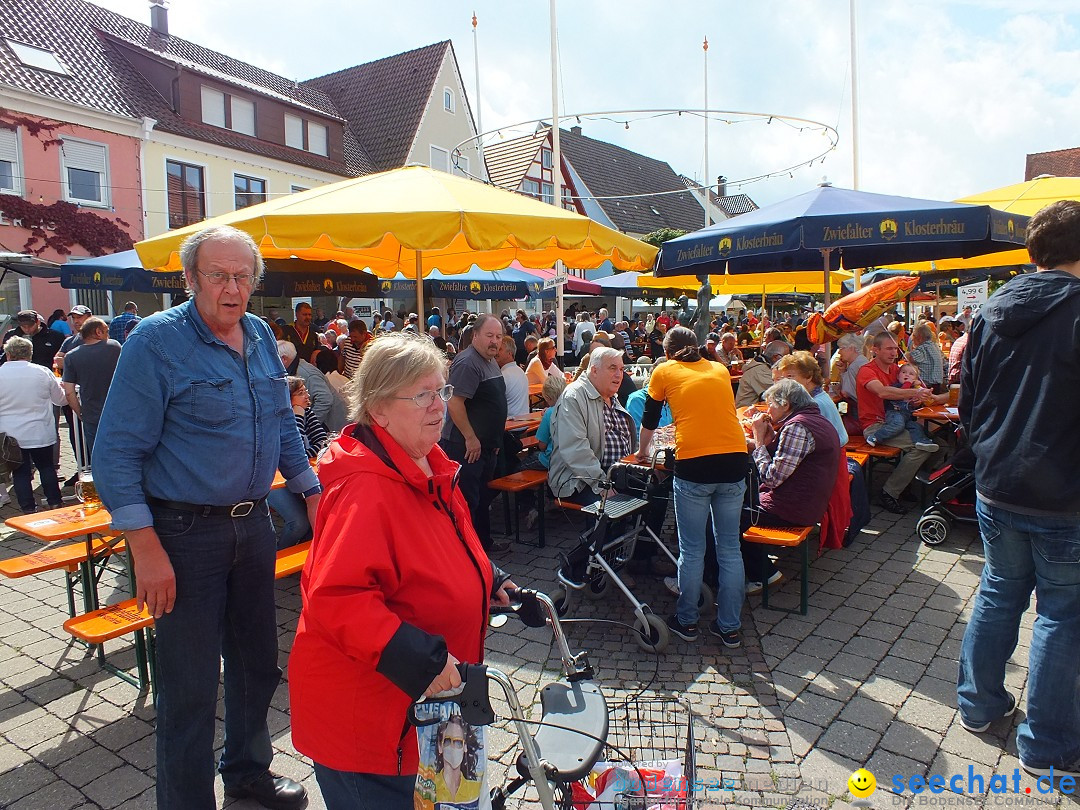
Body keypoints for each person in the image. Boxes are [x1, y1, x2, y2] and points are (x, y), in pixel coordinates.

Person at [94, 225, 319, 810]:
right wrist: (144, 547)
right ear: (190, 279)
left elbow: (281, 426)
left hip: (253, 526)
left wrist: (314, 496)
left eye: (243, 277)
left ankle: (247, 774)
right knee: (189, 688)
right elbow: (115, 452)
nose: (232, 288)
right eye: (218, 275)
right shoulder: (155, 341)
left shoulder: (263, 334)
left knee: (257, 665)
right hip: (182, 534)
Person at [288, 331, 516, 809]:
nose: (438, 406)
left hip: (433, 710)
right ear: (378, 410)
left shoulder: (426, 462)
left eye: (441, 391)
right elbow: (336, 598)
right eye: (422, 395)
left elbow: (445, 542)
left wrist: (488, 577)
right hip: (374, 728)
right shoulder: (365, 489)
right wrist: (419, 658)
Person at [956, 199, 1080, 778]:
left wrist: (986, 450)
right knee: (1061, 613)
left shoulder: (992, 310)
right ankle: (1046, 744)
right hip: (1062, 494)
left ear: (1034, 252)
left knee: (1000, 592)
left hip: (999, 481)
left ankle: (978, 706)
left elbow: (969, 401)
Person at [636, 326, 748, 648]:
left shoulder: (665, 370)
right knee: (729, 549)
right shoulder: (720, 368)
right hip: (734, 459)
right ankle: (729, 627)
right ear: (698, 346)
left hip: (695, 464)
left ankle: (687, 621)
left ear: (669, 352)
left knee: (692, 549)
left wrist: (643, 453)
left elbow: (650, 418)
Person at [744, 379, 840, 570]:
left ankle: (762, 573)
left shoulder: (797, 427)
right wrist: (769, 438)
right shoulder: (815, 419)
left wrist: (758, 441)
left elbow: (771, 478)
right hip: (807, 504)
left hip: (791, 510)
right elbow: (787, 460)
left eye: (770, 404)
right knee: (735, 501)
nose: (768, 410)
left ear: (785, 404)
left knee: (724, 514)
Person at [440, 314, 507, 553]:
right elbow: (454, 403)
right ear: (475, 335)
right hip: (464, 446)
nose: (495, 341)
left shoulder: (488, 360)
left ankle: (482, 544)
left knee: (482, 498)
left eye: (498, 337)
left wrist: (494, 440)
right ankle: (467, 551)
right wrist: (470, 437)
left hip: (484, 446)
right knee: (468, 500)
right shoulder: (468, 362)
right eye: (489, 336)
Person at [856, 332, 944, 514]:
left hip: (900, 422)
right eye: (889, 348)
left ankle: (908, 484)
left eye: (896, 348)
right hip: (876, 427)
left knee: (940, 446)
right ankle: (889, 492)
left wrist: (921, 397)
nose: (894, 352)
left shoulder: (897, 369)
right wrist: (913, 394)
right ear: (875, 350)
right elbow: (882, 392)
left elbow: (913, 389)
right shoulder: (867, 370)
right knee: (922, 447)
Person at [548, 347, 637, 506]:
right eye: (612, 368)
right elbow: (575, 449)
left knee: (656, 490)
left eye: (622, 369)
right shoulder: (574, 396)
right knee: (612, 508)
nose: (619, 374)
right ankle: (603, 531)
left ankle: (641, 531)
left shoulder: (609, 395)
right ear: (594, 371)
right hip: (579, 480)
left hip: (616, 473)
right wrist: (602, 484)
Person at [0, 335, 65, 512]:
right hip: (39, 431)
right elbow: (60, 400)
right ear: (30, 354)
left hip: (10, 435)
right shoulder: (42, 372)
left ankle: (28, 510)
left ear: (8, 354)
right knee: (47, 468)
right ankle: (55, 502)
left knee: (20, 473)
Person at [267, 376, 330, 549]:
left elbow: (322, 441)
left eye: (306, 391)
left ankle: (308, 555)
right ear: (287, 398)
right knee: (299, 523)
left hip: (299, 475)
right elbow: (294, 451)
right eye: (301, 393)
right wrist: (297, 416)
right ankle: (277, 557)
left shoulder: (306, 412)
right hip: (275, 480)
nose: (307, 396)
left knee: (319, 508)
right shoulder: (278, 418)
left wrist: (305, 454)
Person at [60, 317, 121, 462]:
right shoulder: (115, 347)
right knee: (121, 454)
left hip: (91, 414)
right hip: (118, 412)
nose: (108, 335)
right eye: (106, 331)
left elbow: (69, 392)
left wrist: (80, 412)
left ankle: (101, 483)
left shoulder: (71, 356)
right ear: (98, 332)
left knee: (98, 456)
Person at [277, 340, 349, 434]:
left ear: (284, 359)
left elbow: (325, 399)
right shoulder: (299, 368)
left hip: (332, 426)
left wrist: (309, 425)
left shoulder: (306, 373)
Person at [865, 362, 938, 451]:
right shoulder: (896, 386)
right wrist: (909, 383)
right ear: (898, 375)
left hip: (907, 416)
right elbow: (903, 392)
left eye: (911, 374)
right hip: (895, 413)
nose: (907, 375)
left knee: (916, 427)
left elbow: (919, 397)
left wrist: (918, 393)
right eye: (903, 372)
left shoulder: (915, 388)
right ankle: (875, 437)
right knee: (897, 425)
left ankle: (921, 441)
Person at [734, 340, 792, 407]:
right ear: (775, 357)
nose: (788, 361)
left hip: (756, 409)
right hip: (747, 412)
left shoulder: (762, 365)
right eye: (786, 358)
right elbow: (780, 392)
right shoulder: (760, 370)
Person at [496, 335, 529, 418]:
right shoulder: (520, 371)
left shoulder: (504, 375)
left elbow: (494, 403)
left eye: (500, 349)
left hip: (510, 425)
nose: (496, 352)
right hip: (524, 422)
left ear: (509, 354)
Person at [907, 323, 944, 393]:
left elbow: (910, 358)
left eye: (913, 336)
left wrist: (910, 350)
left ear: (919, 337)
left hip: (926, 385)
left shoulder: (922, 348)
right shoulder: (934, 346)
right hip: (937, 384)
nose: (912, 338)